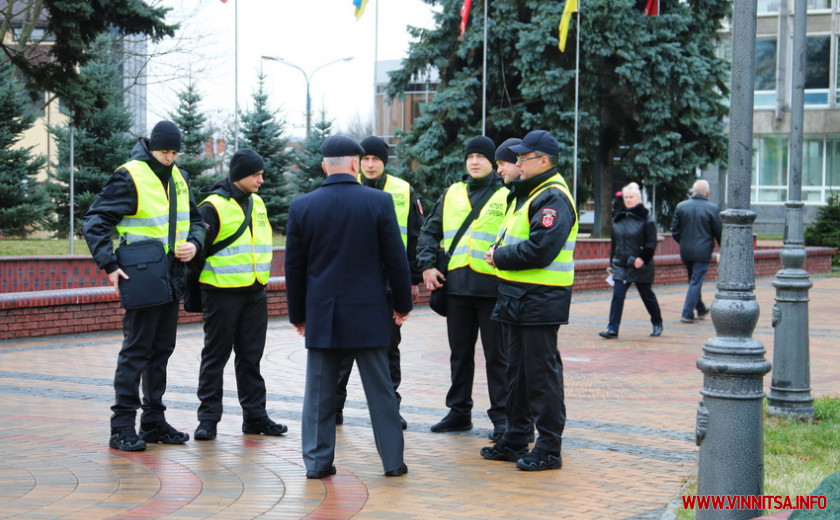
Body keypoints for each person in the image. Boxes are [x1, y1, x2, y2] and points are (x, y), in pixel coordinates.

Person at [285, 135, 413, 479]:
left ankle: (317, 463)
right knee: (381, 393)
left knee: (318, 395)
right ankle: (392, 462)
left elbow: (294, 269)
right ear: (356, 164)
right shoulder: (379, 201)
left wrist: (298, 315)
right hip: (369, 314)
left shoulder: (302, 207)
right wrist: (403, 305)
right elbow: (396, 261)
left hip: (323, 316)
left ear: (324, 165)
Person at [83, 120, 206, 452]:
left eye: (175, 152)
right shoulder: (130, 174)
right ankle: (121, 427)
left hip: (171, 278)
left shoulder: (179, 177)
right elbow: (95, 220)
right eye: (165, 152)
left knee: (161, 352)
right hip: (141, 276)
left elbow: (196, 221)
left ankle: (153, 422)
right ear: (152, 147)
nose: (169, 158)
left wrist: (194, 243)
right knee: (136, 352)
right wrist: (109, 264)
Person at [480, 129, 576, 472]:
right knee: (517, 373)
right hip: (516, 297)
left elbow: (542, 249)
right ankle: (516, 437)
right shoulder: (525, 194)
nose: (518, 162)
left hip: (540, 299)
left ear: (544, 161)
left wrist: (500, 256)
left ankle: (549, 448)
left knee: (541, 376)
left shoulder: (553, 197)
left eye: (524, 157)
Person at [417, 135, 510, 440]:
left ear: (492, 162)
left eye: (480, 157)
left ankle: (503, 418)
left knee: (498, 357)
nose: (474, 161)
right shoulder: (452, 193)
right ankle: (459, 412)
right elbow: (429, 231)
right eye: (470, 156)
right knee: (460, 354)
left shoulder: (506, 193)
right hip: (456, 287)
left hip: (493, 288)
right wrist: (427, 266)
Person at [192, 148, 288, 441]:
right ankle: (208, 419)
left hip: (255, 292)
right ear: (240, 175)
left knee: (251, 358)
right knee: (215, 357)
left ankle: (255, 417)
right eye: (256, 174)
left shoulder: (257, 203)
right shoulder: (212, 206)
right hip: (221, 293)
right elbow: (197, 253)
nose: (262, 179)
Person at [334, 136, 423, 430]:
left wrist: (411, 280)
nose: (370, 165)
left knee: (388, 349)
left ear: (385, 162)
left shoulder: (403, 190)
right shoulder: (347, 186)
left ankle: (389, 410)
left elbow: (415, 235)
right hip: (351, 283)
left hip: (386, 285)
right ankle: (333, 408)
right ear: (357, 162)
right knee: (343, 350)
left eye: (376, 159)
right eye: (366, 159)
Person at [598, 182, 663, 339]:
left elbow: (651, 242)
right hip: (621, 264)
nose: (628, 200)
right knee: (618, 296)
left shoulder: (646, 219)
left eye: (631, 197)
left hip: (640, 264)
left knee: (647, 295)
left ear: (639, 199)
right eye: (626, 197)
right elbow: (614, 243)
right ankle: (612, 328)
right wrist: (611, 263)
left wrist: (642, 258)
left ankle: (657, 322)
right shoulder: (618, 218)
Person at [670, 179, 722, 323]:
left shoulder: (681, 206)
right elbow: (719, 232)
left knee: (693, 280)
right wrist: (723, 248)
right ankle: (687, 313)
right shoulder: (713, 209)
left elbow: (674, 230)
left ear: (692, 192)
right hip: (703, 252)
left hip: (686, 251)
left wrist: (684, 241)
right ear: (707, 193)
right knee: (696, 281)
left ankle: (700, 309)